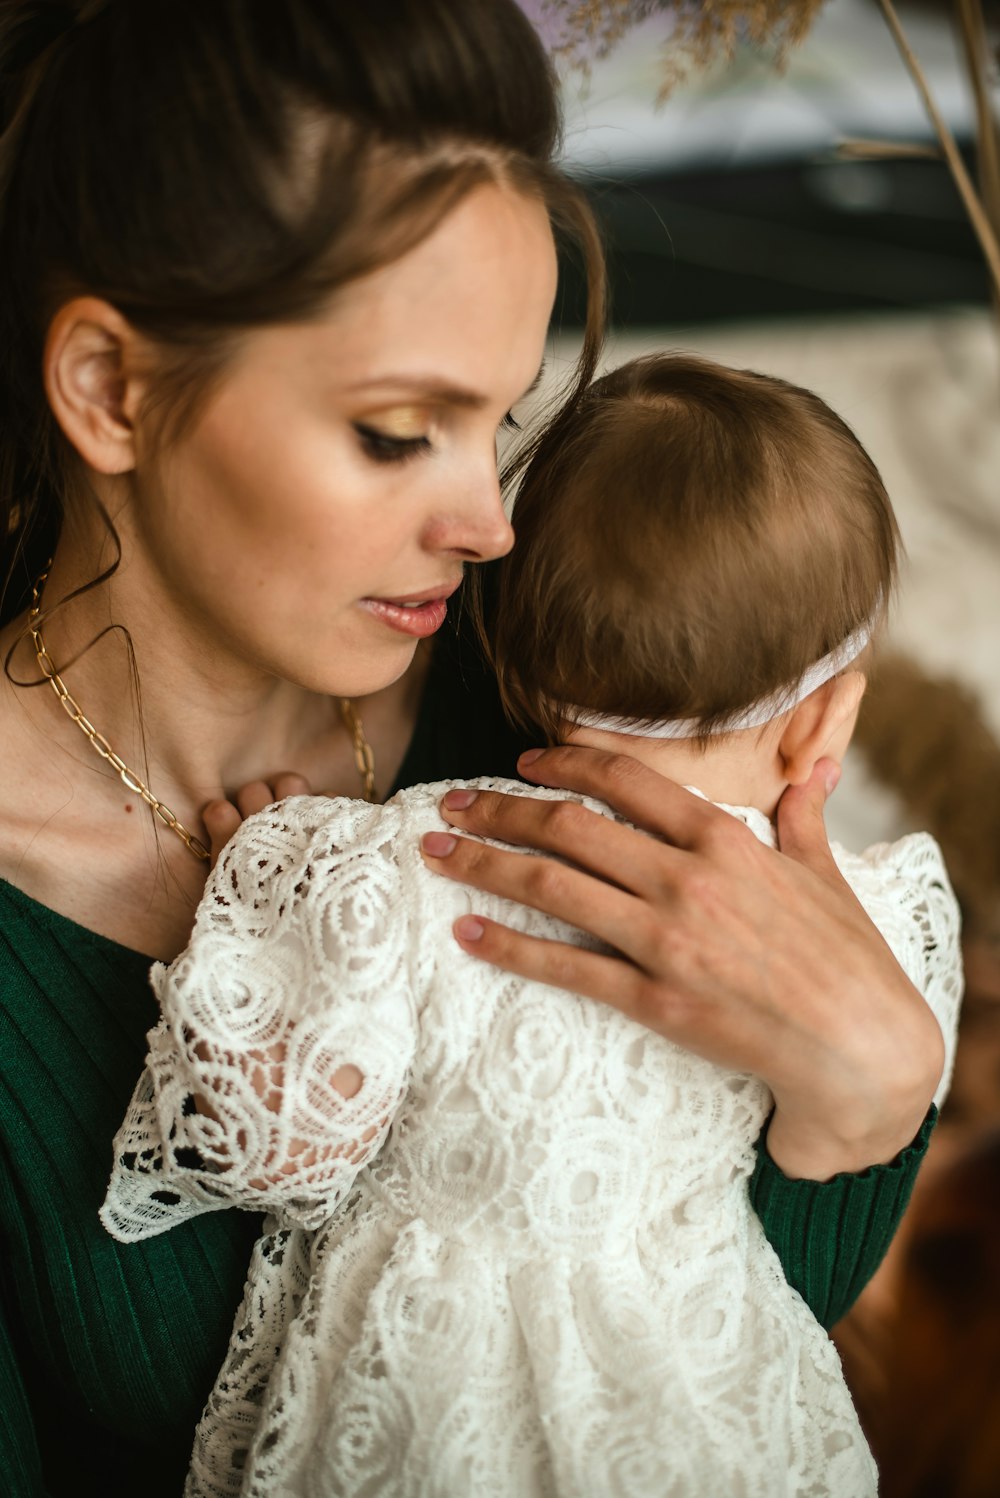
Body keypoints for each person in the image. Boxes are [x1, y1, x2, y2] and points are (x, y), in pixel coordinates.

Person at [0, 2, 945, 1493]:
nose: (491, 524)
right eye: (396, 430)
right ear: (112, 389)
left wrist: (880, 1084)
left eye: (499, 422)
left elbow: (729, 1350)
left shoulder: (561, 669)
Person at [102, 353, 962, 1496]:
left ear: (510, 651)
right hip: (709, 1399)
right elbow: (835, 1141)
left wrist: (260, 921)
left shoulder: (395, 859)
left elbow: (276, 1149)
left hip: (418, 1398)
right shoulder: (863, 918)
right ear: (824, 727)